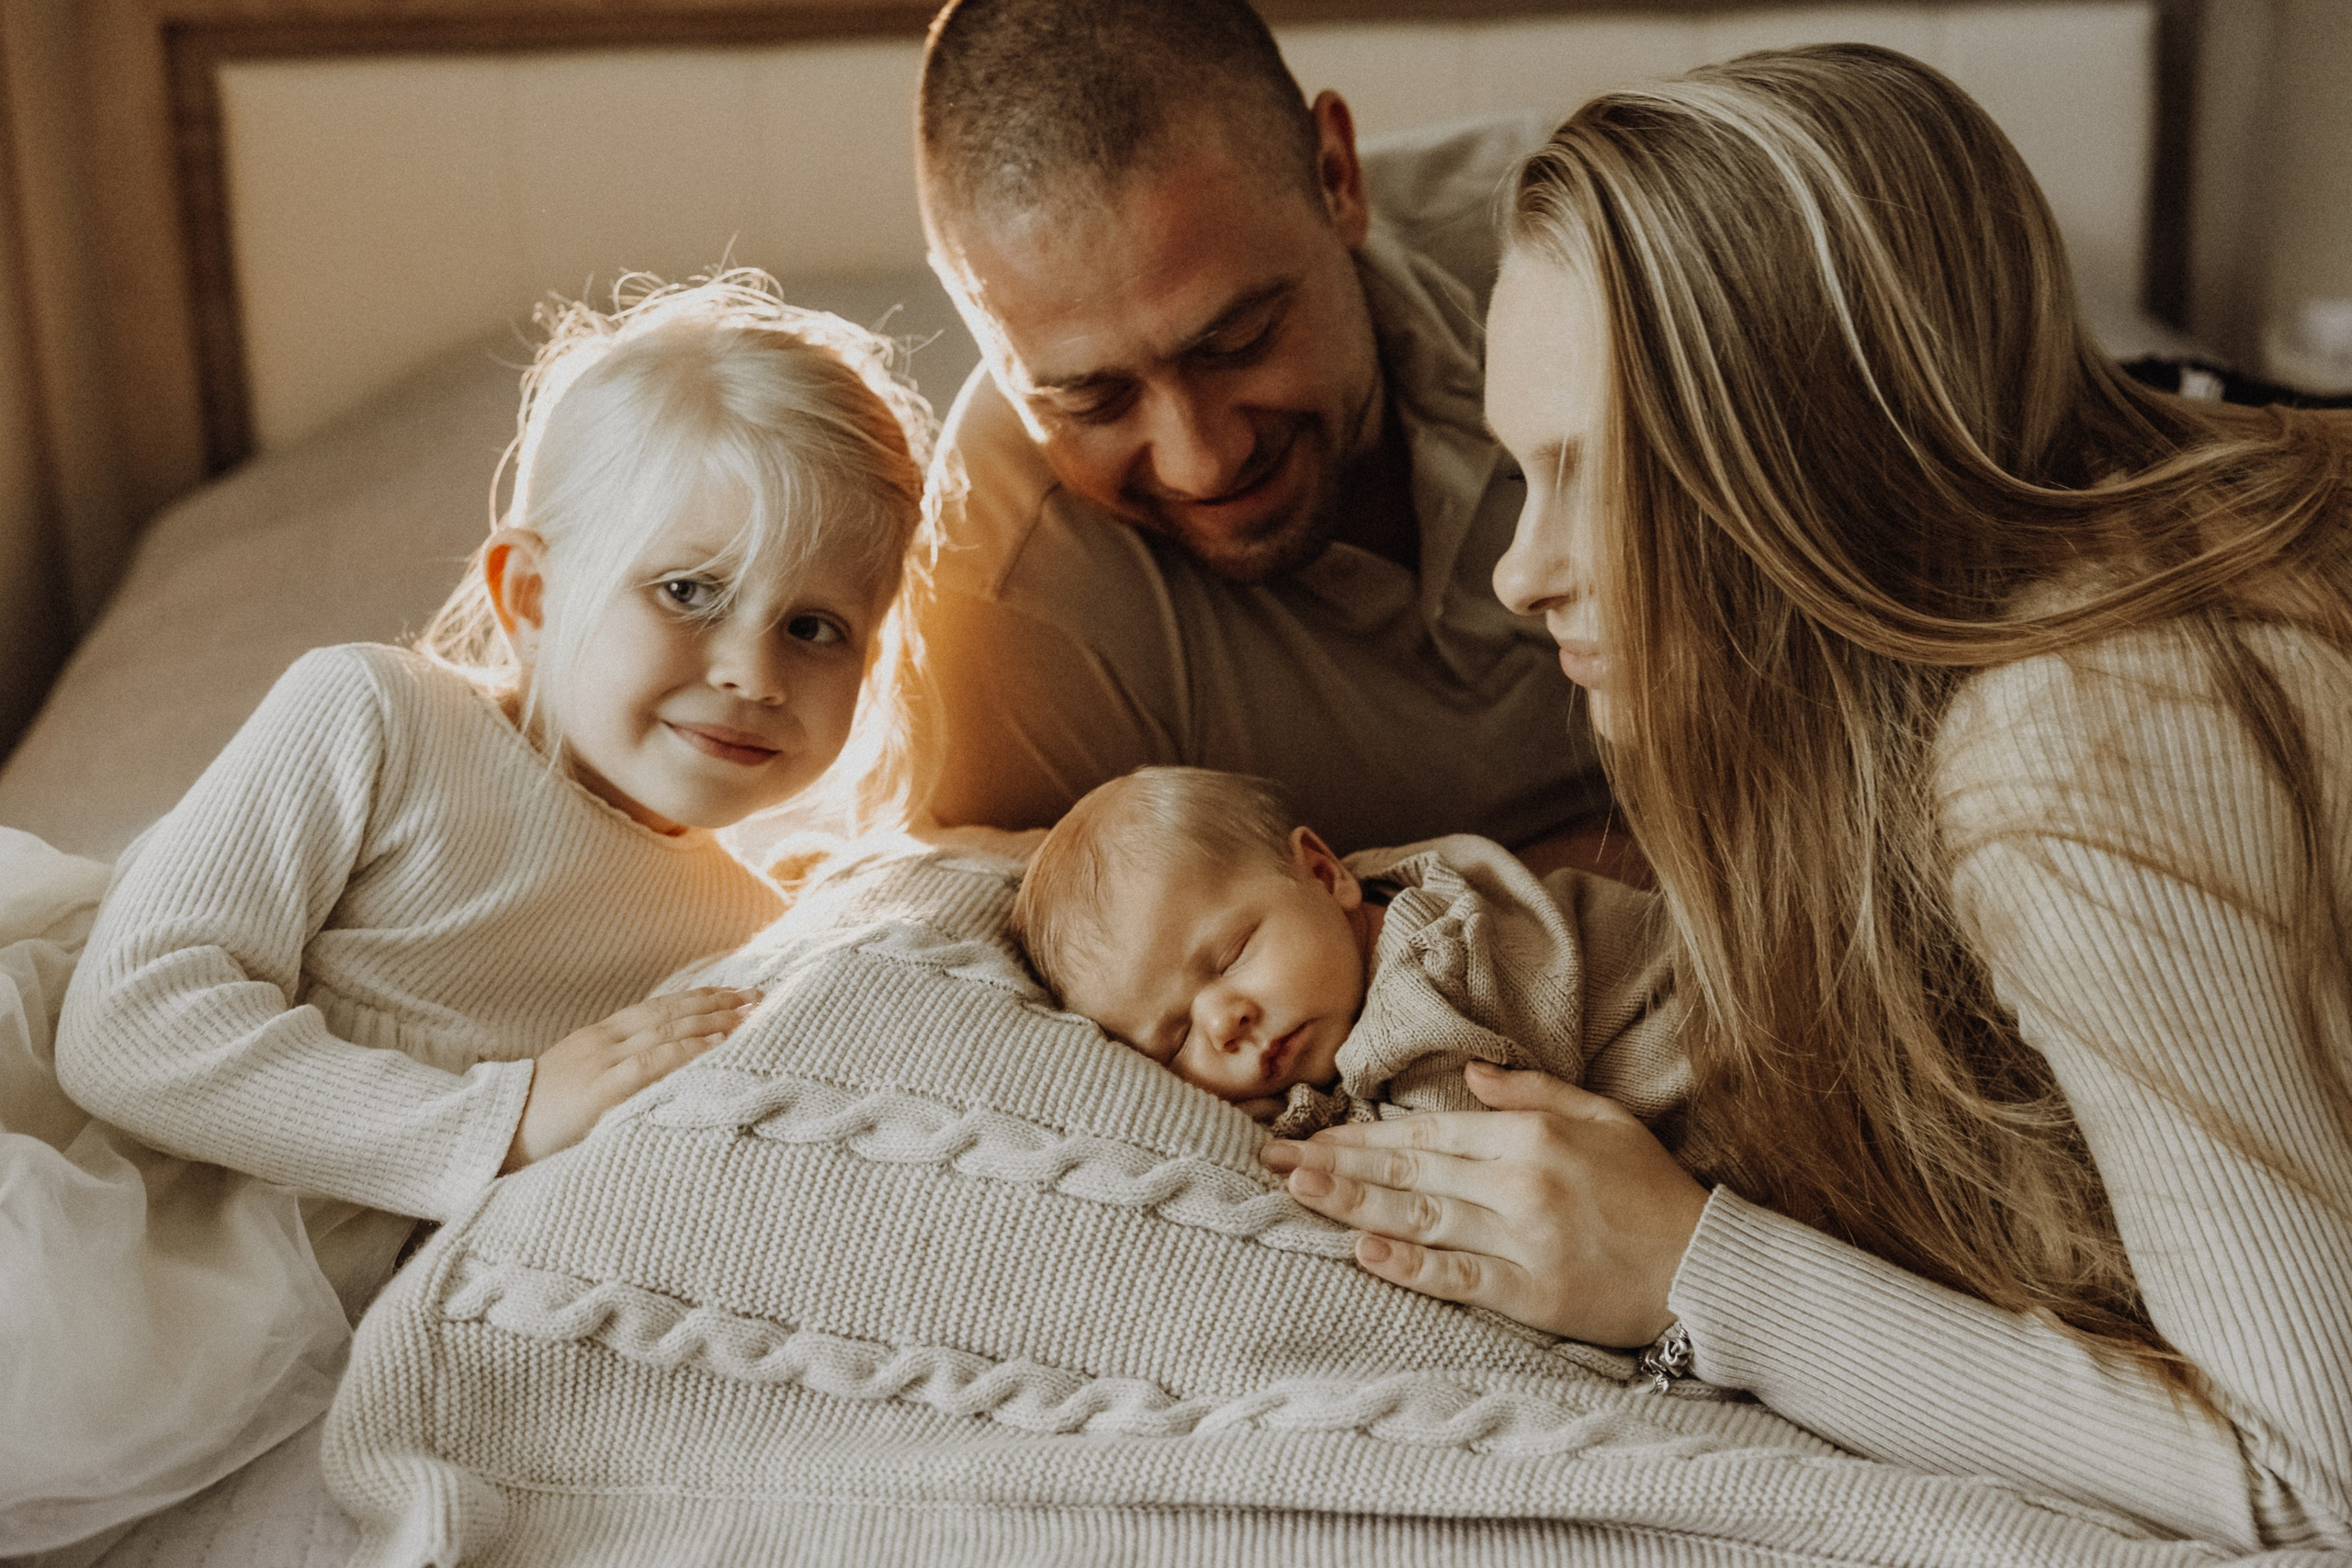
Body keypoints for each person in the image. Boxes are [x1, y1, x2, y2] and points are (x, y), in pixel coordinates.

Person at [1261, 45, 2352, 1551]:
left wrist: (1697, 1270)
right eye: (1522, 473)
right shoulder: (1885, 710)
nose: (1521, 572)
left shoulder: (2073, 745)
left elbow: (2319, 1476)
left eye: (1602, 479)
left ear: (1808, 467)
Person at [37, 274, 935, 1541]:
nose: (750, 670)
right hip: (128, 1244)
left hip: (375, 1350)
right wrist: (499, 1116)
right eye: (688, 591)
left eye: (817, 626)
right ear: (529, 592)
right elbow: (127, 1024)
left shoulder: (742, 930)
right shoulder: (375, 717)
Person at [911, 0, 1619, 867]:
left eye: (1235, 343)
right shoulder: (999, 598)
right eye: (1093, 400)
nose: (1202, 461)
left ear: (1335, 177)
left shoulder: (1596, 247)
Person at [1011, 765, 1681, 1137]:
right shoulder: (1341, 944)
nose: (1224, 1022)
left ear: (1326, 873)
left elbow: (1451, 1163)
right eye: (1174, 1040)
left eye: (1234, 953)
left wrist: (1306, 1121)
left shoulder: (1434, 969)